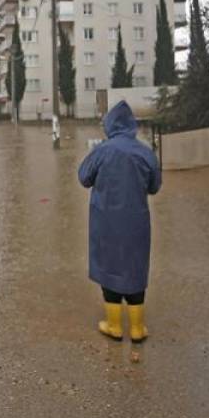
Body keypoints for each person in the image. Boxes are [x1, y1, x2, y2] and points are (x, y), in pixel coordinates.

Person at [77, 100, 162, 343]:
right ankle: (137, 328)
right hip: (137, 222)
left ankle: (114, 325)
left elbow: (83, 177)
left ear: (110, 125)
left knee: (109, 267)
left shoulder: (102, 151)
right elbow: (155, 186)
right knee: (135, 268)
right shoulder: (145, 152)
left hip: (105, 222)